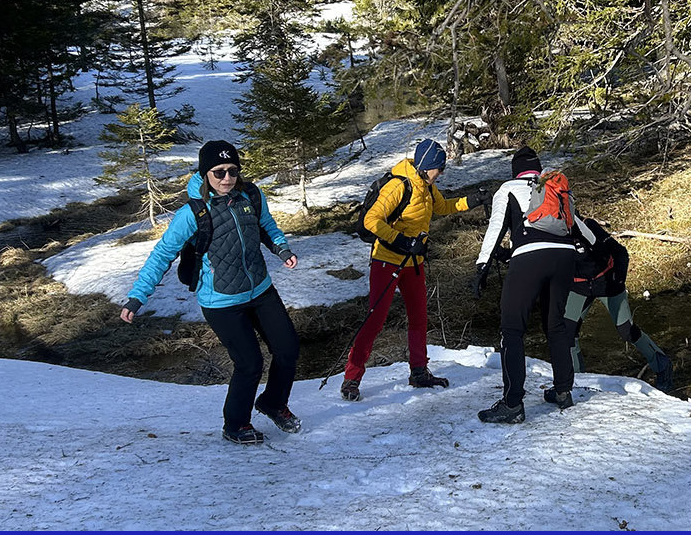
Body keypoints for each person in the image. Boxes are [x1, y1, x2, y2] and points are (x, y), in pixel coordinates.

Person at [120, 140, 302, 446]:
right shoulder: (193, 213)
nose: (227, 178)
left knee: (288, 348)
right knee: (249, 363)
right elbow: (162, 254)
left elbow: (266, 226)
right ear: (206, 174)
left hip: (260, 289)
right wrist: (138, 297)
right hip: (221, 302)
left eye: (232, 170)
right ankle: (235, 424)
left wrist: (282, 248)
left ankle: (272, 402)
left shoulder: (251, 196)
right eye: (219, 172)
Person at [340, 138, 482, 402]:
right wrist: (403, 241)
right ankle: (352, 378)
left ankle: (419, 371)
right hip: (387, 261)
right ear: (427, 166)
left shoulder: (427, 186)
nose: (441, 172)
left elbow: (443, 207)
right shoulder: (399, 185)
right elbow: (371, 220)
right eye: (439, 168)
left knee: (419, 317)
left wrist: (472, 200)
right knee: (375, 319)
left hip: (414, 263)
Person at [472, 146, 592, 424]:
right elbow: (579, 228)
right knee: (556, 325)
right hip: (564, 257)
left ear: (516, 169)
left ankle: (512, 404)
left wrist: (482, 265)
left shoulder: (508, 189)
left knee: (512, 329)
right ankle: (563, 391)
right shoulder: (553, 189)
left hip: (529, 258)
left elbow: (496, 228)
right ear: (538, 169)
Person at [564, 217, 675, 392]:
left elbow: (620, 252)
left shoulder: (588, 227)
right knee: (567, 332)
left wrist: (618, 279)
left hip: (608, 283)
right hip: (579, 287)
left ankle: (662, 365)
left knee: (626, 330)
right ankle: (578, 381)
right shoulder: (551, 234)